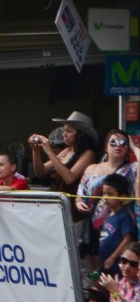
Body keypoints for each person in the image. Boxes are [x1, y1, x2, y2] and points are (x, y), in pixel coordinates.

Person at [75, 129, 137, 269]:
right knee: (98, 276)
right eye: (113, 142)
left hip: (119, 229)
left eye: (123, 143)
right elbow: (80, 194)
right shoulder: (91, 169)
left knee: (116, 273)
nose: (118, 146)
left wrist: (134, 148)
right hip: (94, 229)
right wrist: (79, 203)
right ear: (105, 147)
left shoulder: (132, 169)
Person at [29, 111, 99, 220]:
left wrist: (49, 152)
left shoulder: (88, 154)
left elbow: (69, 178)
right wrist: (35, 151)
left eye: (69, 131)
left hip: (73, 207)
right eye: (64, 130)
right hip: (57, 206)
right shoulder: (67, 150)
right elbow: (40, 172)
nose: (64, 134)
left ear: (80, 134)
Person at [96, 174, 136, 276]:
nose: (105, 197)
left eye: (110, 194)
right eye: (104, 193)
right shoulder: (109, 215)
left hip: (116, 266)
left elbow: (127, 239)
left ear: (122, 197)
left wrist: (112, 258)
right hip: (105, 265)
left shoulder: (124, 216)